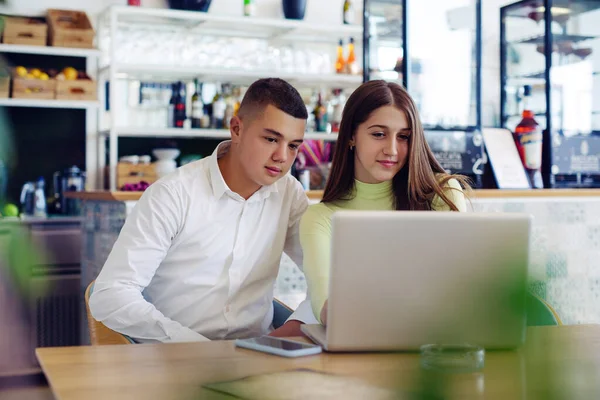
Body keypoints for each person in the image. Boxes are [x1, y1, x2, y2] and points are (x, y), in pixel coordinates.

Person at [90, 78, 317, 342]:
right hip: (174, 360)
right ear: (236, 129)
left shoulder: (289, 193)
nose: (282, 156)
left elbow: (329, 278)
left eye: (293, 145)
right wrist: (196, 347)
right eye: (270, 139)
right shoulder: (173, 194)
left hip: (258, 360)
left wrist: (299, 323)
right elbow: (111, 294)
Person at [300, 80, 470, 325]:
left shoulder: (442, 194)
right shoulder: (321, 218)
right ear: (350, 136)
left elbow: (462, 289)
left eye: (403, 137)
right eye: (378, 134)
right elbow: (325, 306)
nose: (392, 149)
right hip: (360, 347)